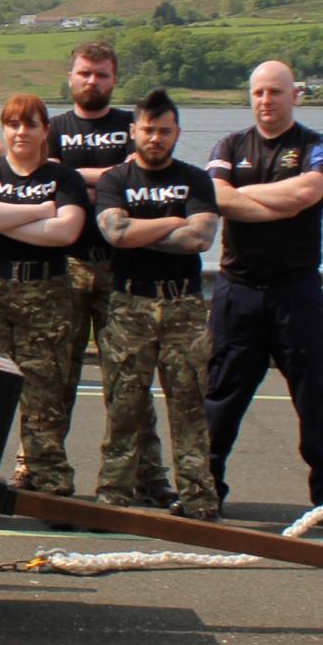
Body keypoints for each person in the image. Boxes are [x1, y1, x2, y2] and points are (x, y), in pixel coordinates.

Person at [205, 60, 323, 513]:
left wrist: (246, 199)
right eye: (259, 93)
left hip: (296, 293)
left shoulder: (315, 145)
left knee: (315, 400)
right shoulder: (230, 144)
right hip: (238, 292)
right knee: (220, 397)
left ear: (295, 95)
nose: (266, 101)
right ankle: (205, 488)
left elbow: (307, 194)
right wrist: (279, 203)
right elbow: (215, 196)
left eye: (276, 92)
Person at [48, 40, 173, 507]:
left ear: (114, 78)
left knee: (130, 380)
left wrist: (75, 174)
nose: (92, 81)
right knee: (54, 377)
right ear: (71, 76)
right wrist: (111, 175)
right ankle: (41, 468)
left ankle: (148, 473)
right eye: (84, 73)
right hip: (68, 268)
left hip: (125, 270)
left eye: (101, 74)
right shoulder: (55, 128)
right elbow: (46, 178)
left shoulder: (131, 126)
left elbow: (142, 175)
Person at [91, 89, 222, 520]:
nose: (155, 138)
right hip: (130, 303)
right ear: (134, 131)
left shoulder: (196, 180)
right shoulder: (116, 180)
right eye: (148, 130)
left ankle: (199, 499)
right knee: (124, 404)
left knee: (188, 406)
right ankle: (115, 496)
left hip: (183, 306)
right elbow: (116, 234)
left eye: (164, 131)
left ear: (177, 133)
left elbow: (200, 238)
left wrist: (142, 227)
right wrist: (172, 220)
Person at [0, 93, 85, 496]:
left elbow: (65, 232)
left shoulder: (65, 179)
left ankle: (49, 483)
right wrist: (41, 210)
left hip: (45, 293)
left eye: (29, 124)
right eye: (12, 124)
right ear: (3, 129)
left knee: (44, 392)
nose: (20, 132)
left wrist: (0, 216)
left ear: (45, 130)